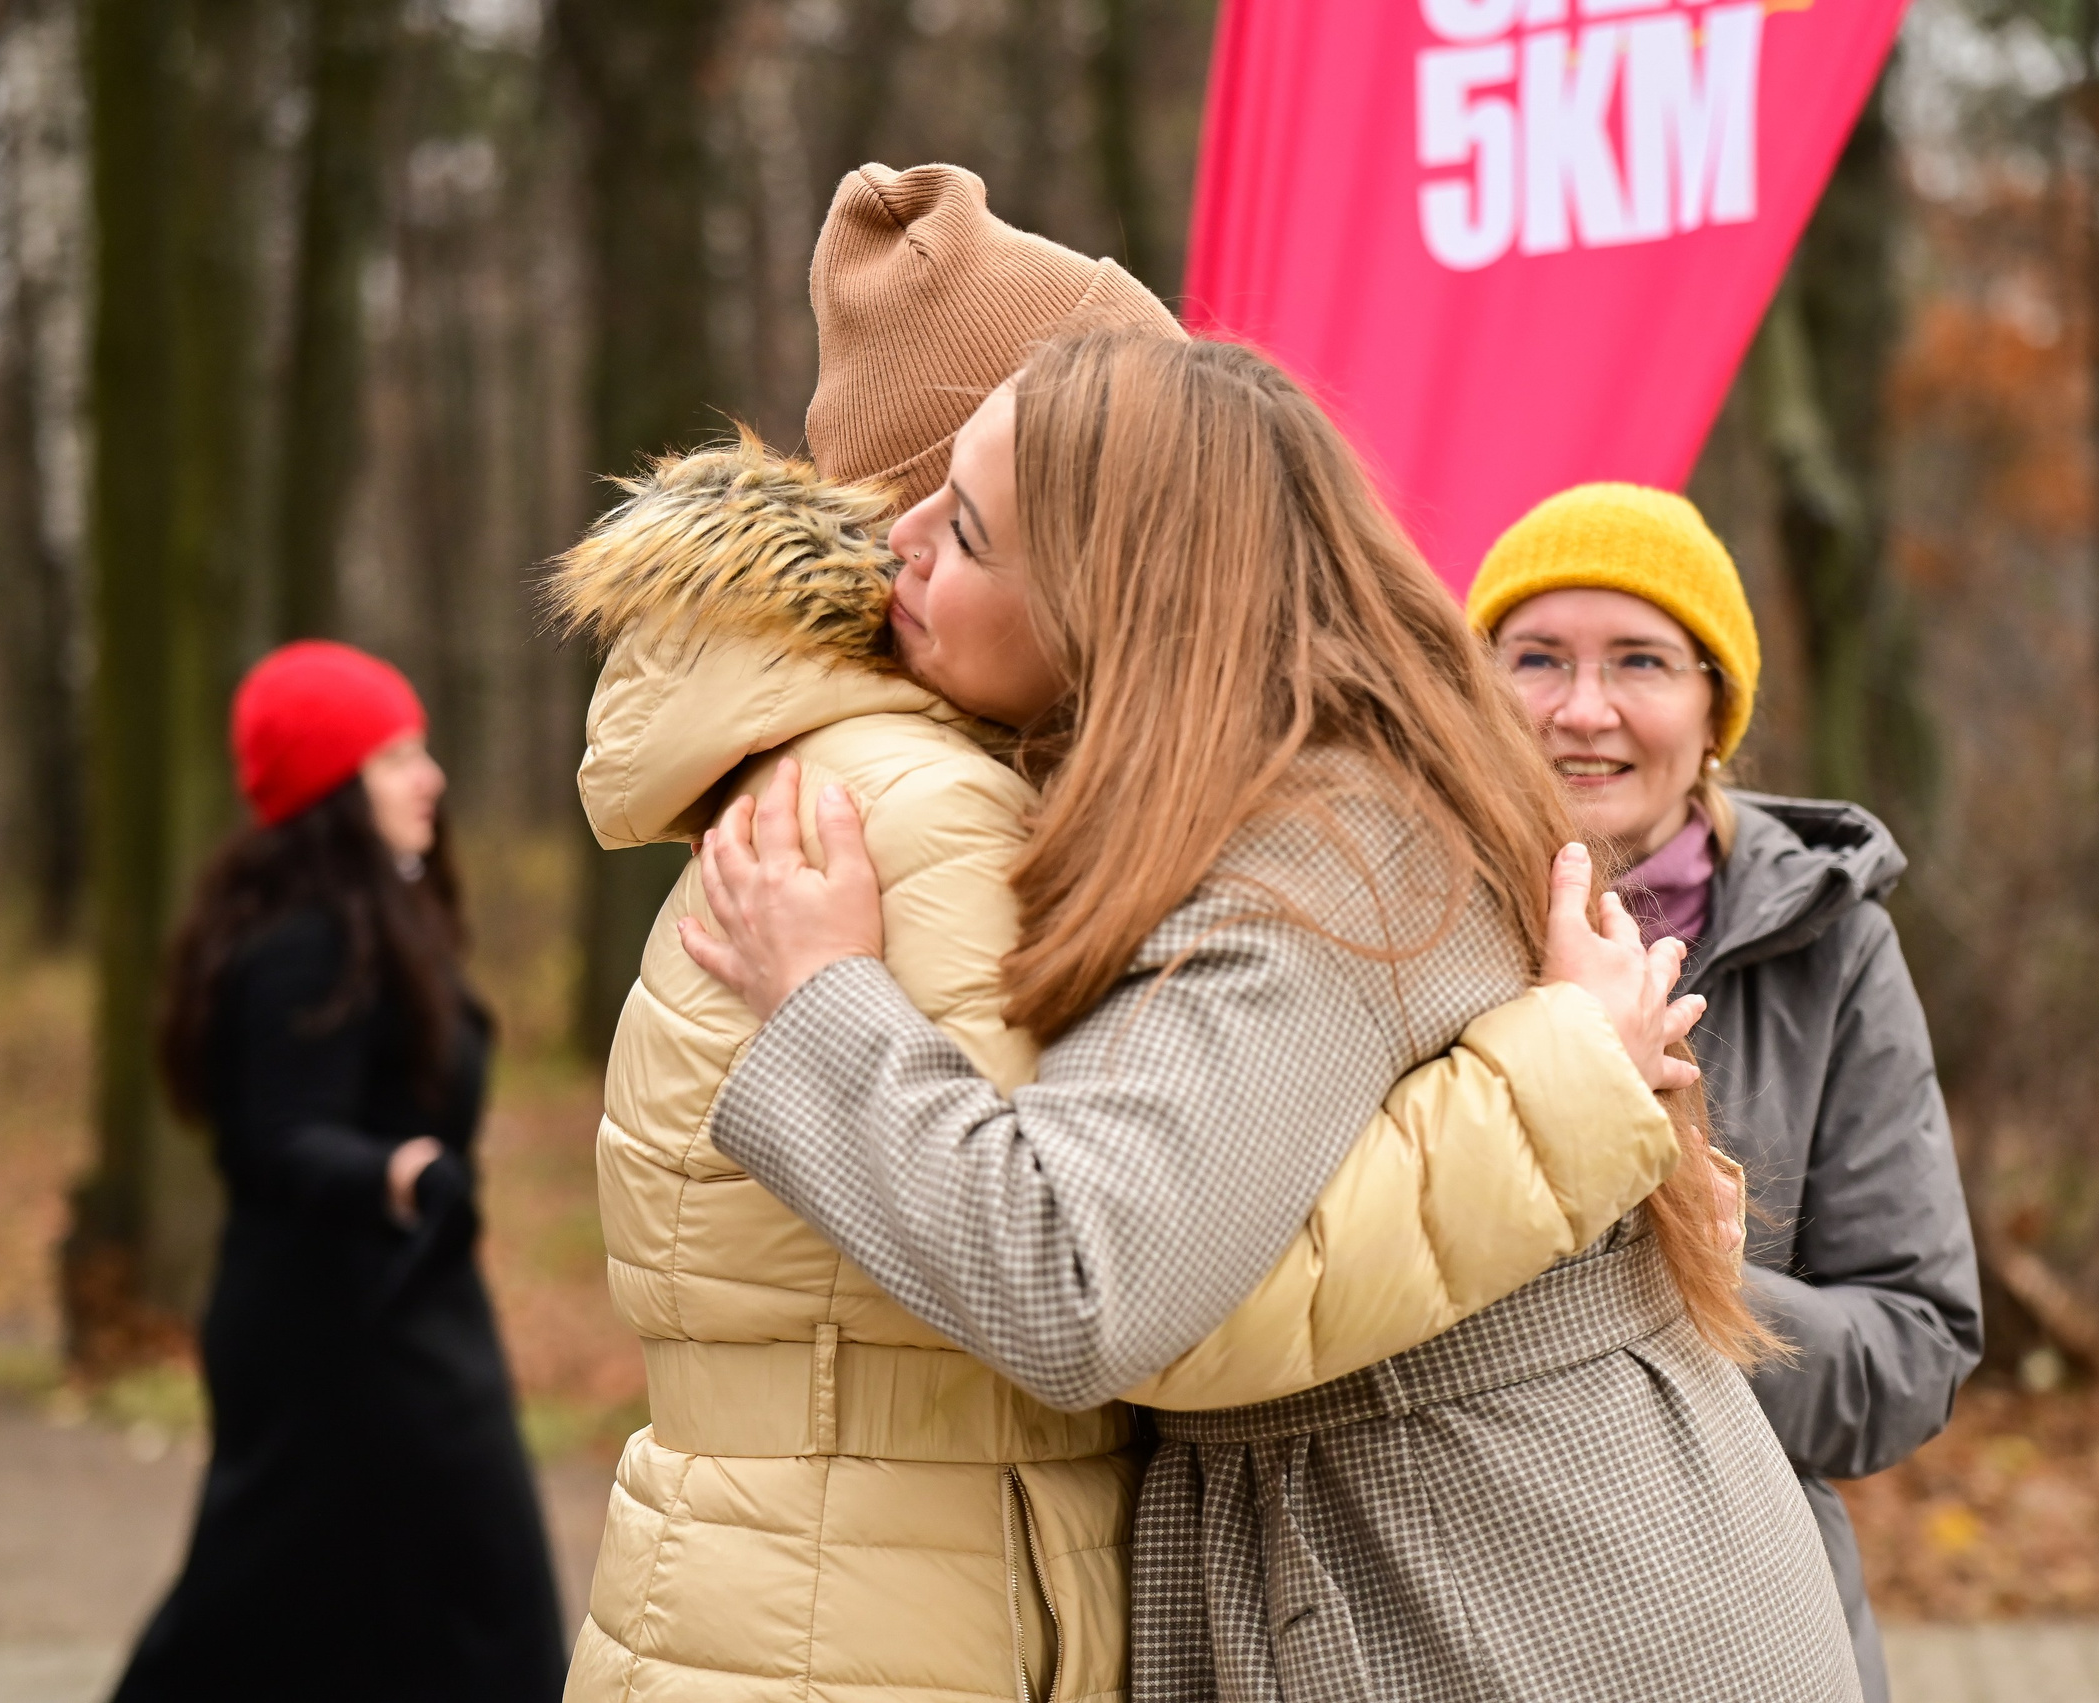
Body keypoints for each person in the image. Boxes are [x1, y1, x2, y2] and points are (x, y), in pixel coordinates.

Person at [554, 166, 1696, 1703]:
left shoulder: (1001, 790)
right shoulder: (933, 812)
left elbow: (1144, 1247)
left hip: (855, 1596)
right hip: (885, 1621)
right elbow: (1107, 1281)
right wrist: (1560, 1089)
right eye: (952, 514)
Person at [1464, 482, 1986, 1703]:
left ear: (1714, 711)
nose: (1580, 709)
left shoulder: (1831, 945)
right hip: (1450, 1613)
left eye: (1639, 660)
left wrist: (1683, 1287)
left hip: (1739, 1629)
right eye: (1535, 657)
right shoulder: (1397, 911)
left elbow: (1912, 1350)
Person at [114, 641, 567, 1703]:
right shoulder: (302, 943)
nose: (432, 777)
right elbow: (275, 1135)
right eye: (399, 754)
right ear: (333, 784)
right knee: (298, 1616)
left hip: (395, 1317)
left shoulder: (370, 923)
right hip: (346, 1340)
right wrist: (397, 1173)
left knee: (405, 1620)